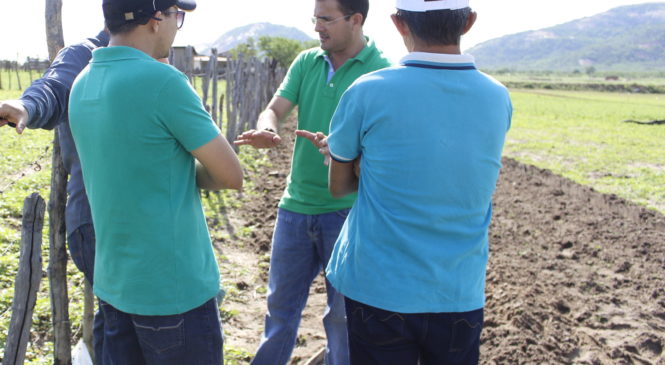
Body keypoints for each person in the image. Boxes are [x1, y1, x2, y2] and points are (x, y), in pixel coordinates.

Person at [320, 0, 513, 363]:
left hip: (378, 288)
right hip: (458, 292)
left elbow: (339, 187)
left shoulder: (368, 89)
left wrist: (364, 166)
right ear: (469, 22)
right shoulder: (497, 97)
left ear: (398, 24)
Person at [68, 0, 243, 363]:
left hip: (115, 285)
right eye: (178, 15)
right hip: (173, 290)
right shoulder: (163, 82)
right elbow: (231, 174)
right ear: (155, 17)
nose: (177, 25)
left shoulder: (81, 84)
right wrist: (182, 174)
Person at [233, 0, 391, 364]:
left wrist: (344, 153)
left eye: (326, 19)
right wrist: (267, 129)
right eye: (315, 18)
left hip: (348, 213)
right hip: (295, 209)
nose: (317, 27)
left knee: (342, 318)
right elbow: (274, 109)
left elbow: (386, 149)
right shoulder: (307, 62)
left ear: (355, 20)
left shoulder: (380, 71)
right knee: (278, 313)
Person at [0, 30, 109, 362]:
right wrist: (26, 106)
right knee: (127, 320)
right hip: (98, 221)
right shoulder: (85, 54)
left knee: (127, 321)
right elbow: (54, 87)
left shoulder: (154, 55)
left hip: (139, 221)